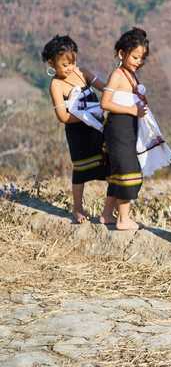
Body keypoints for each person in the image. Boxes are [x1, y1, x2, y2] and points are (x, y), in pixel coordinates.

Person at [43, 35, 116, 224]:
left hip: (98, 128)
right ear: (52, 63)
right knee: (81, 169)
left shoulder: (82, 73)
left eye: (72, 61)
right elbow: (62, 116)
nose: (70, 67)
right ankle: (77, 208)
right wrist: (86, 115)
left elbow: (105, 88)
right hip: (78, 133)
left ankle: (110, 209)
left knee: (110, 164)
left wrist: (120, 88)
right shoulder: (56, 85)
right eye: (64, 64)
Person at [100, 28, 151, 231]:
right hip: (118, 129)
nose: (138, 61)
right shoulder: (117, 74)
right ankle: (123, 218)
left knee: (118, 172)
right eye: (135, 57)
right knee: (128, 171)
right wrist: (132, 109)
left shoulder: (131, 75)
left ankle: (106, 215)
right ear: (122, 54)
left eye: (141, 58)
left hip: (129, 130)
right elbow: (105, 103)